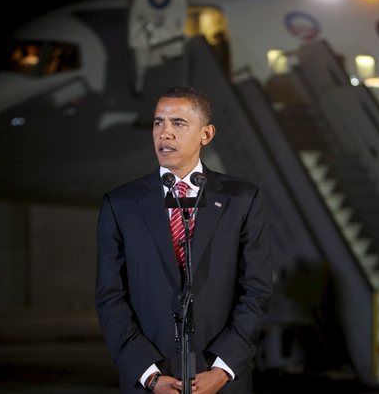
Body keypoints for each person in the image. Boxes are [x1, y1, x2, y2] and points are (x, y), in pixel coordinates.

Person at [95, 86, 273, 394]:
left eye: (178, 123)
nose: (165, 133)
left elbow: (255, 291)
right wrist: (148, 374)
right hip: (151, 380)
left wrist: (222, 369)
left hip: (221, 381)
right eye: (158, 123)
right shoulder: (120, 204)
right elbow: (110, 298)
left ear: (206, 134)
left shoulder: (242, 199)